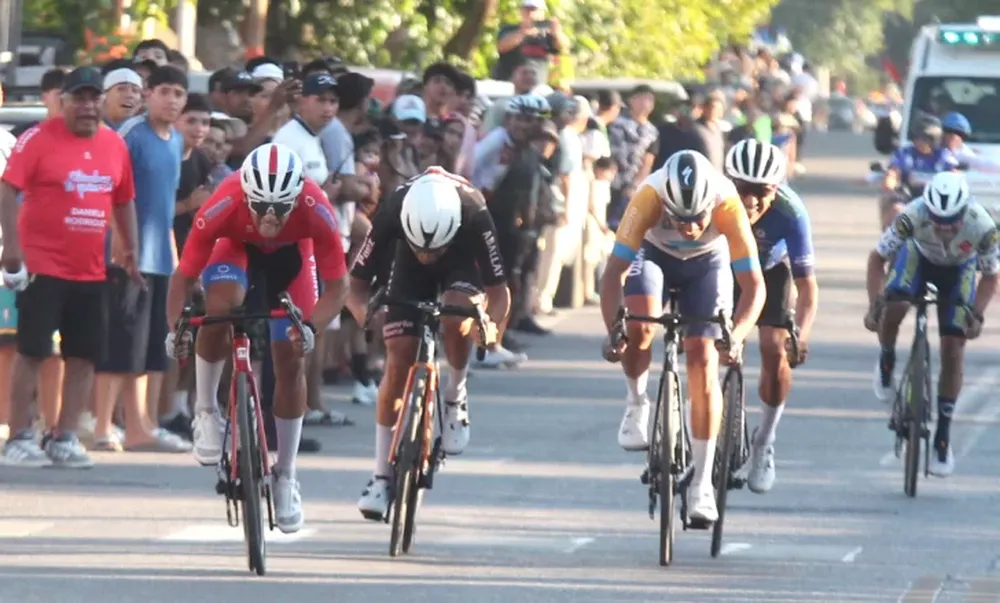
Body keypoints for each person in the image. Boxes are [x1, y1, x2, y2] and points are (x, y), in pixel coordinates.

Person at [164, 143, 348, 532]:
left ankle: (286, 475)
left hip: (293, 259)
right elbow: (182, 277)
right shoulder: (223, 203)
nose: (269, 217)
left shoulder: (316, 208)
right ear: (246, 193)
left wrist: (310, 328)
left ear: (296, 198)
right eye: (260, 206)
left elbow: (338, 286)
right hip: (235, 249)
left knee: (290, 355)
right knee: (221, 308)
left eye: (280, 208)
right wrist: (176, 328)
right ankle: (207, 411)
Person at [598, 150, 765, 523]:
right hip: (653, 256)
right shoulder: (648, 197)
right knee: (639, 326)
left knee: (703, 359)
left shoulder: (727, 204)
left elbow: (754, 287)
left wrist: (736, 335)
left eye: (697, 219)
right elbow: (613, 276)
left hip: (708, 263)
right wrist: (615, 331)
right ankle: (636, 401)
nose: (689, 228)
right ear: (666, 206)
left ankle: (701, 484)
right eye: (678, 219)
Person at [346, 167, 510, 521]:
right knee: (398, 355)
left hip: (461, 263)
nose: (428, 256)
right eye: (424, 249)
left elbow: (499, 293)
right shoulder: (393, 210)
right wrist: (366, 317)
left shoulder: (474, 212)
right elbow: (355, 286)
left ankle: (456, 394)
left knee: (455, 316)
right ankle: (379, 477)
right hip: (404, 266)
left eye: (433, 250)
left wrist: (491, 332)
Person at [0, 66, 140, 467]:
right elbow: (8, 189)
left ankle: (62, 436)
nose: (88, 106)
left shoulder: (114, 146)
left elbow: (124, 199)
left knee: (83, 355)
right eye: (79, 98)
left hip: (91, 269)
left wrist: (131, 249)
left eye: (94, 98)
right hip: (42, 266)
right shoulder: (37, 139)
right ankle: (19, 435)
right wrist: (12, 246)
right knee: (32, 351)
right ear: (63, 101)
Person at [864, 172, 999, 477]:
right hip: (918, 258)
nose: (943, 226)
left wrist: (976, 314)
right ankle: (887, 358)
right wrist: (875, 305)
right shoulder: (912, 216)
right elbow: (877, 259)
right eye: (937, 218)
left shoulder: (984, 227)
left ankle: (942, 437)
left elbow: (991, 276)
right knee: (894, 304)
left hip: (959, 270)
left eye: (951, 220)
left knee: (953, 348)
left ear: (965, 212)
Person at [723, 139, 818, 493]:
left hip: (771, 272)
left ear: (775, 189)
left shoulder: (791, 212)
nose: (750, 201)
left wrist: (802, 334)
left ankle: (765, 439)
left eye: (760, 191)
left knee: (772, 347)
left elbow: (807, 286)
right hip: (725, 268)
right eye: (743, 189)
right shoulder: (715, 200)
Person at [879, 116, 959, 230]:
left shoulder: (944, 156)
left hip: (938, 204)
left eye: (924, 138)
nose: (919, 141)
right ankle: (888, 244)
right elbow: (893, 173)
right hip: (909, 200)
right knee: (896, 209)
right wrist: (889, 186)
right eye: (917, 137)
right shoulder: (906, 154)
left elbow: (954, 175)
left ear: (934, 139)